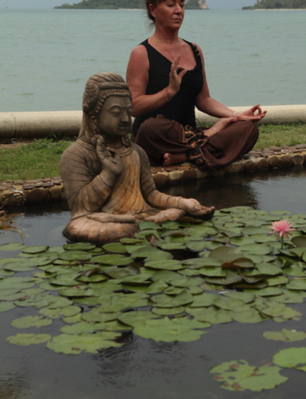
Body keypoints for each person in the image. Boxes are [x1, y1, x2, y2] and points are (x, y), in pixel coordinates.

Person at [60, 72, 214, 244]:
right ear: (94, 119)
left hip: (142, 216)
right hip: (101, 222)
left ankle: (141, 226)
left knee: (177, 211)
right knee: (81, 228)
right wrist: (108, 174)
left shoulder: (137, 152)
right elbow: (81, 209)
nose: (126, 119)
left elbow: (151, 195)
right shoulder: (76, 155)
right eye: (116, 112)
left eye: (128, 111)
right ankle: (138, 227)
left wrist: (182, 202)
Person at [126, 0, 266, 171]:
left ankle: (184, 155)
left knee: (247, 129)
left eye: (182, 5)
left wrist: (236, 115)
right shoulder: (141, 53)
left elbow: (204, 99)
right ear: (153, 9)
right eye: (171, 5)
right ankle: (206, 139)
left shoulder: (194, 50)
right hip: (157, 138)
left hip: (190, 134)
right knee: (150, 128)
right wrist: (168, 93)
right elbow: (134, 107)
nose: (178, 11)